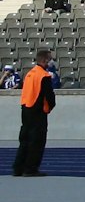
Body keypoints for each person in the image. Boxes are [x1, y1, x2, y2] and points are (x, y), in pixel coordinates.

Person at [12, 48, 54, 177]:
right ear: (45, 60)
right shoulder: (44, 76)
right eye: (49, 59)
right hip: (38, 110)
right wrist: (49, 107)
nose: (51, 62)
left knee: (24, 139)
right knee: (37, 140)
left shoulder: (30, 74)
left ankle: (18, 167)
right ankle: (30, 168)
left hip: (26, 108)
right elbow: (49, 96)